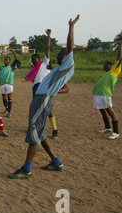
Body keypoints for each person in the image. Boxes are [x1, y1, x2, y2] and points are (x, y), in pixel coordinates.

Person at [8, 14, 80, 179]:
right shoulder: (53, 68)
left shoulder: (69, 64)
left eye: (63, 52)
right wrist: (48, 37)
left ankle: (26, 169)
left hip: (43, 99)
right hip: (39, 98)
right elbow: (48, 51)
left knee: (34, 132)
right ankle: (56, 161)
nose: (60, 54)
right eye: (60, 53)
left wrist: (71, 27)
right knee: (40, 133)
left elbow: (69, 47)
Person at [24, 29, 59, 138]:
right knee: (34, 109)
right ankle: (33, 126)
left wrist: (48, 36)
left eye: (35, 59)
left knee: (48, 110)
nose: (33, 61)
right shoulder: (34, 68)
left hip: (44, 89)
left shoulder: (45, 63)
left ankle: (55, 129)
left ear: (40, 59)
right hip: (36, 90)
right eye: (32, 60)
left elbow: (47, 49)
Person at [93, 42, 122, 140]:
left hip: (105, 95)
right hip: (98, 95)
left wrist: (121, 46)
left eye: (107, 65)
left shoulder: (114, 71)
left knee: (110, 112)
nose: (105, 66)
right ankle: (108, 127)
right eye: (104, 65)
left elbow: (119, 57)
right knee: (103, 112)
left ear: (112, 66)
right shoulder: (107, 74)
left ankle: (116, 132)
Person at [0, 47, 21, 118]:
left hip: (9, 84)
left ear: (9, 61)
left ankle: (9, 112)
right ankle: (7, 109)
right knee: (4, 98)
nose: (5, 60)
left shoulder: (11, 66)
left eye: (7, 59)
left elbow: (17, 57)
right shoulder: (1, 67)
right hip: (2, 84)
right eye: (5, 59)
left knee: (9, 98)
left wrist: (13, 51)